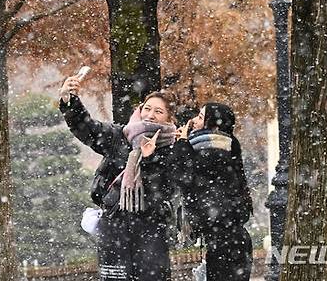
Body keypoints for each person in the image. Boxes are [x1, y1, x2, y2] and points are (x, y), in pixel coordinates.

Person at [59, 73, 181, 281]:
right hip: (114, 227)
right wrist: (69, 102)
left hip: (150, 231)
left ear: (169, 119)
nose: (150, 115)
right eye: (147, 108)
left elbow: (163, 193)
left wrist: (150, 160)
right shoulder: (121, 136)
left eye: (158, 112)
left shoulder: (174, 149)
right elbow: (89, 129)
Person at [176, 103, 253, 281]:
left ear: (215, 126)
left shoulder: (213, 151)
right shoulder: (223, 147)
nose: (194, 120)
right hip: (229, 240)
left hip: (225, 243)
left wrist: (181, 143)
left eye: (201, 117)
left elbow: (182, 176)